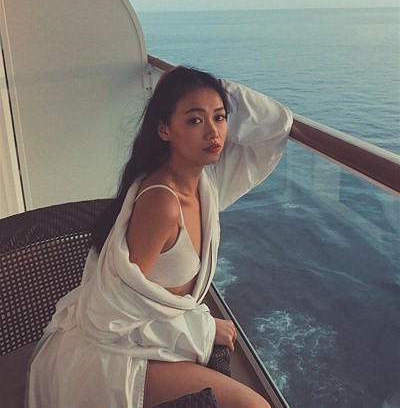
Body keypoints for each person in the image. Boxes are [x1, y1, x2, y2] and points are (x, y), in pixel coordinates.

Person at [26, 66, 293, 408]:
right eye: (195, 120)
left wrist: (196, 82)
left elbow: (276, 124)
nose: (213, 132)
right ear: (164, 129)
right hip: (113, 354)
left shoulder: (206, 184)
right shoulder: (162, 204)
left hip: (148, 338)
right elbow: (110, 315)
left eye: (220, 117)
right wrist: (205, 327)